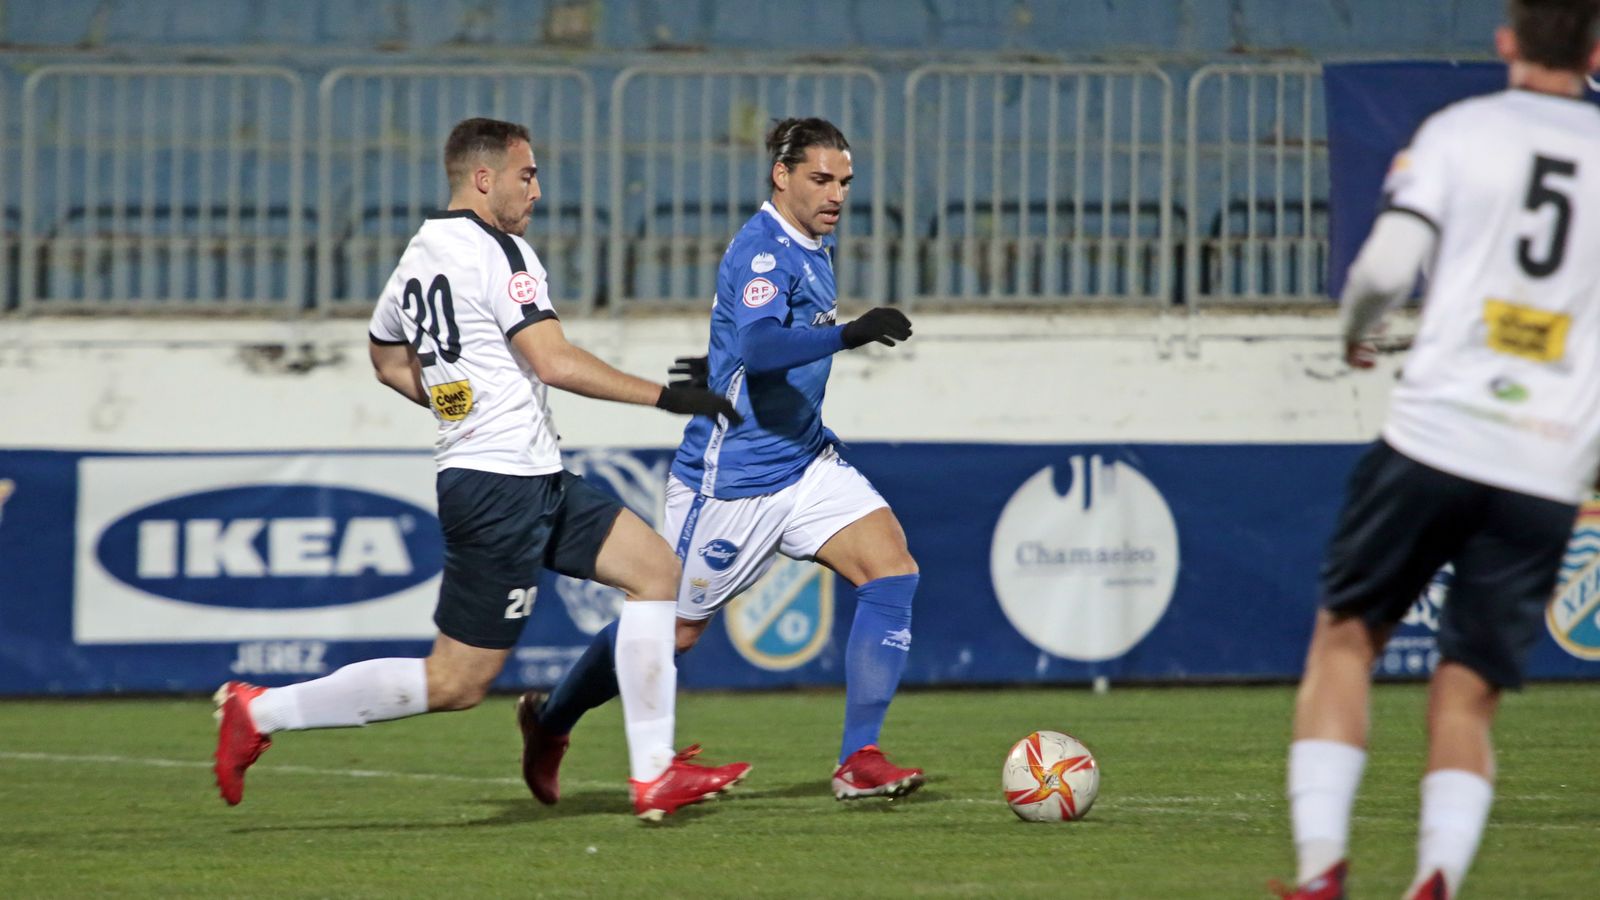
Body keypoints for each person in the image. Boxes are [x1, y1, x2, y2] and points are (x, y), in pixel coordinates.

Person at [212, 117, 751, 821]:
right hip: (499, 488)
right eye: (527, 175)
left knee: (656, 574)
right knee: (457, 681)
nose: (537, 189)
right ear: (484, 177)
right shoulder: (501, 252)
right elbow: (553, 362)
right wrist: (671, 396)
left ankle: (654, 773)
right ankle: (261, 712)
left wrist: (455, 405)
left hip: (528, 475)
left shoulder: (418, 255)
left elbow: (383, 358)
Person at [1276, 3, 1600, 897]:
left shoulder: (1460, 132)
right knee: (1468, 688)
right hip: (1542, 464)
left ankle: (1321, 866)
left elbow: (1385, 268)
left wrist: (1357, 332)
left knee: (1344, 641)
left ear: (1505, 41)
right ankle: (1439, 876)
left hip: (1435, 437)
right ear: (1596, 51)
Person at [516, 117, 925, 805]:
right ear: (782, 175)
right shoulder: (764, 249)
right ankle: (550, 719)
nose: (836, 195)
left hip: (802, 460)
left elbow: (755, 343)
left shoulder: (810, 244)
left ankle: (859, 759)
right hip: (732, 480)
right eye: (821, 179)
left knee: (892, 568)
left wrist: (721, 356)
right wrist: (850, 333)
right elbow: (765, 347)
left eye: (846, 182)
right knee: (672, 628)